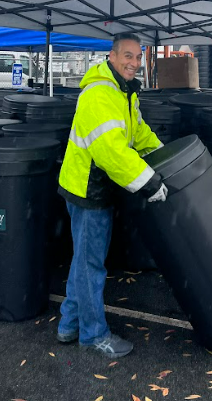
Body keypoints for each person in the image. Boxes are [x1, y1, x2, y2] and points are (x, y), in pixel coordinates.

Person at [57, 33, 166, 358]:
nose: (134, 63)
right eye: (128, 56)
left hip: (92, 185)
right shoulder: (100, 93)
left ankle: (69, 323)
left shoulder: (123, 91)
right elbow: (111, 152)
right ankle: (92, 335)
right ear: (113, 56)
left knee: (84, 259)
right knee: (91, 264)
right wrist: (150, 181)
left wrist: (163, 155)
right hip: (88, 189)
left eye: (138, 57)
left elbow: (138, 131)